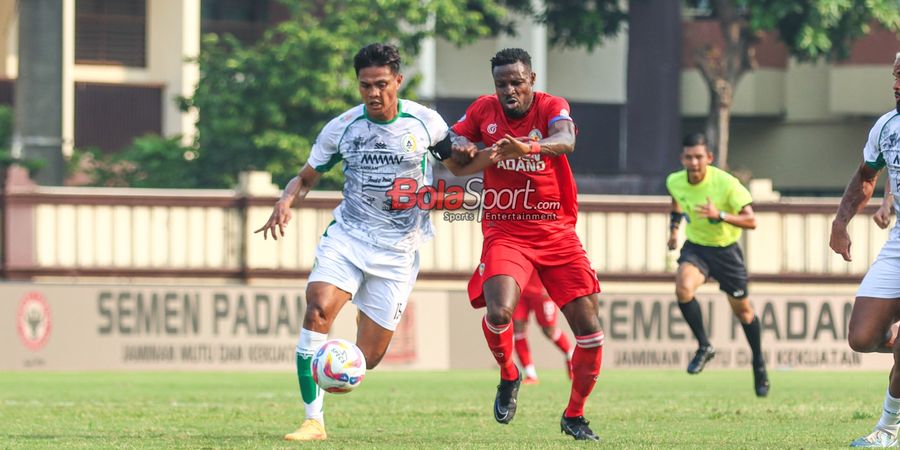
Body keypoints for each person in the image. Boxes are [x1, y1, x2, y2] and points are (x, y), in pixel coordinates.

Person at [255, 43, 462, 442]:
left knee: (368, 358)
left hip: (398, 250)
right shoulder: (342, 127)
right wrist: (285, 199)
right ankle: (313, 421)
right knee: (317, 309)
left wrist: (488, 165)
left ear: (398, 81)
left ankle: (347, 354)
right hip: (348, 237)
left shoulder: (426, 123)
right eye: (365, 85)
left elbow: (457, 165)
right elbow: (306, 177)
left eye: (381, 84)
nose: (373, 93)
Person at [447, 47, 605, 441]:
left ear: (532, 80)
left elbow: (566, 140)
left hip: (555, 231)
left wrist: (529, 147)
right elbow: (448, 142)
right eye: (502, 84)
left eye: (517, 82)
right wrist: (459, 146)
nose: (509, 90)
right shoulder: (484, 111)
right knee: (500, 311)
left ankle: (574, 414)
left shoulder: (552, 106)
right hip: (505, 229)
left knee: (590, 332)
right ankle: (509, 375)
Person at [830, 52, 900, 448]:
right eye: (894, 74)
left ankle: (887, 429)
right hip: (898, 244)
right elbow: (866, 176)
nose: (895, 83)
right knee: (862, 336)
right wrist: (840, 222)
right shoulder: (886, 126)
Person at [666, 132, 769, 397]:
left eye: (699, 157)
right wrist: (674, 230)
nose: (694, 162)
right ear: (682, 158)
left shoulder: (726, 184)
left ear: (709, 158)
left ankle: (758, 363)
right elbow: (677, 201)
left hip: (726, 252)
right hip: (697, 248)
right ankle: (704, 346)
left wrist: (719, 214)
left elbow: (751, 221)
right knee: (683, 289)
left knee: (744, 312)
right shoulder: (675, 181)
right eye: (689, 157)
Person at [513, 271, 574, 384]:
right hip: (521, 290)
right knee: (518, 327)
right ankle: (530, 374)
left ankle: (570, 355)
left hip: (542, 291)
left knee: (549, 331)